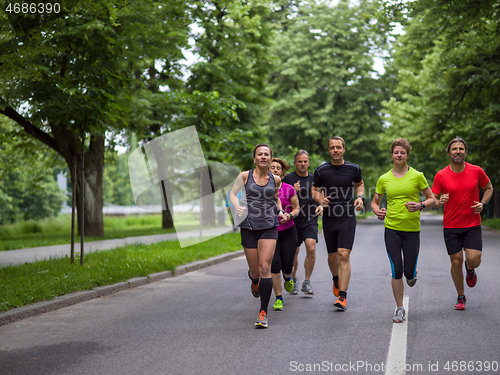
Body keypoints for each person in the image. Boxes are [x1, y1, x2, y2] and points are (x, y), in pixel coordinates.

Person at [370, 138, 436, 323]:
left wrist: (420, 205)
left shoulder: (417, 176)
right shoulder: (384, 179)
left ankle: (412, 273)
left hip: (412, 230)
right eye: (396, 152)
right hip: (391, 228)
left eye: (403, 152)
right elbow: (375, 202)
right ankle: (399, 308)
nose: (399, 155)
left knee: (408, 273)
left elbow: (432, 199)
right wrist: (378, 212)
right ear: (392, 154)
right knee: (396, 269)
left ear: (407, 155)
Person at [432, 137, 493, 310]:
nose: (458, 151)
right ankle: (461, 296)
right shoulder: (441, 175)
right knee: (456, 261)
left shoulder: (477, 171)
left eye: (461, 148)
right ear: (449, 153)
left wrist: (483, 203)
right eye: (454, 149)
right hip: (451, 225)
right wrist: (439, 202)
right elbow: (433, 199)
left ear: (465, 151)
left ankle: (470, 269)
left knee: (473, 259)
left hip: (472, 223)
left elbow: (489, 188)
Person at [229, 143, 286, 328]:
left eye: (266, 154)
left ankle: (263, 313)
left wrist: (280, 211)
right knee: (255, 272)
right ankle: (254, 281)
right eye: (259, 154)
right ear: (254, 158)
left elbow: (275, 198)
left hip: (269, 226)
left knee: (264, 268)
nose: (263, 157)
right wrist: (237, 206)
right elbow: (232, 194)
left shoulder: (275, 179)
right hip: (249, 227)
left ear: (271, 158)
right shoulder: (245, 176)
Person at [312, 136, 364, 310]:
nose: (335, 150)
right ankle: (335, 277)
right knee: (332, 257)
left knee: (344, 254)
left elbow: (360, 184)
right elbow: (314, 190)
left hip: (347, 216)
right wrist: (321, 200)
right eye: (332, 147)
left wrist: (360, 197)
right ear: (329, 150)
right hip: (329, 217)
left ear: (344, 149)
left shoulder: (354, 168)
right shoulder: (321, 170)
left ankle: (342, 296)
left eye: (338, 147)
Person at [283, 150, 323, 295]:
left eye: (305, 161)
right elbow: (281, 198)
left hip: (310, 219)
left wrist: (320, 206)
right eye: (300, 161)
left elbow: (321, 197)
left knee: (311, 248)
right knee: (293, 252)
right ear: (295, 163)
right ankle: (293, 279)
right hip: (293, 221)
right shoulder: (287, 178)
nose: (303, 164)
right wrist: (293, 190)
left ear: (308, 162)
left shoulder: (315, 178)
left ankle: (307, 281)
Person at [269, 158, 300, 310]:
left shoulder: (289, 188)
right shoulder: (263, 188)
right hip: (270, 231)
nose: (275, 170)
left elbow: (296, 208)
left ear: (282, 171)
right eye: (272, 167)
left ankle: (288, 277)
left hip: (288, 230)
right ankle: (279, 297)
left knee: (287, 265)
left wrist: (290, 215)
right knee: (274, 265)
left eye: (278, 168)